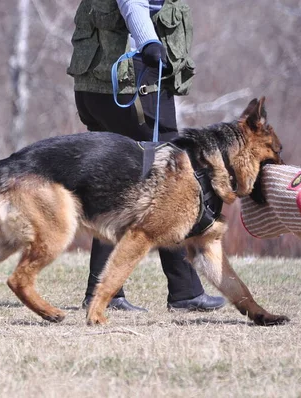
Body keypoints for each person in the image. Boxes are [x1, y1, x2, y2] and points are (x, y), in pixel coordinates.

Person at [67, 0, 226, 312]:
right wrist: (149, 42)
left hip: (95, 89)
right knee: (173, 183)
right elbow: (132, 4)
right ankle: (185, 292)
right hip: (134, 88)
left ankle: (104, 291)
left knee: (115, 188)